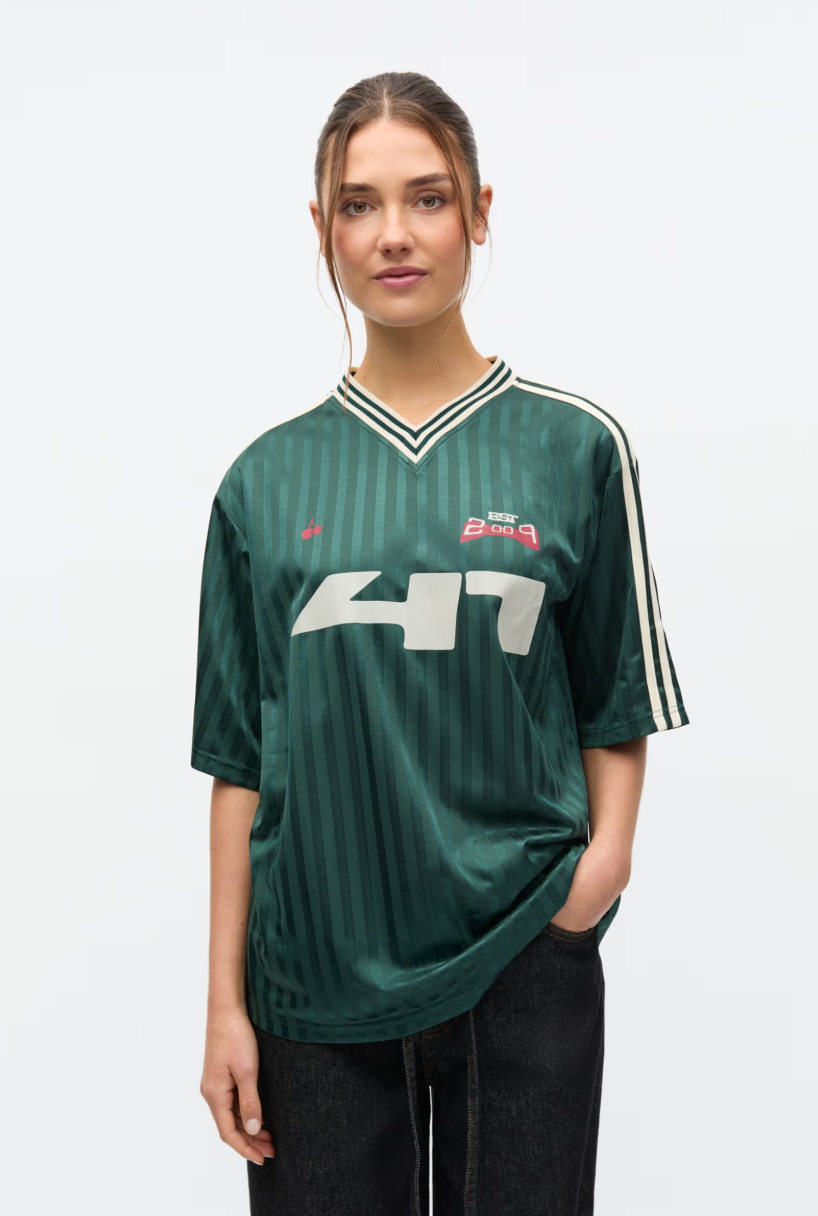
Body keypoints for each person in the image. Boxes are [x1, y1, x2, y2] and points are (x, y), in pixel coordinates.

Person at [190, 71, 690, 1216]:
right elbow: (238, 764)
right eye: (357, 204)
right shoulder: (264, 481)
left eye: (425, 197)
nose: (393, 233)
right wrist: (224, 1002)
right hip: (310, 978)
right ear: (321, 226)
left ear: (477, 210)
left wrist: (591, 882)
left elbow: (611, 698)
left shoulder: (572, 448)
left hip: (521, 956)